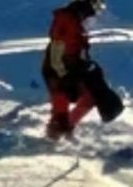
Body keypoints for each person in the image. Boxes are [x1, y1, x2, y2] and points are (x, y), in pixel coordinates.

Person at [42, 0, 105, 140]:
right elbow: (56, 50)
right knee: (60, 113)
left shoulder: (77, 24)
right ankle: (53, 139)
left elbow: (78, 49)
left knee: (90, 97)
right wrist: (63, 75)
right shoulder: (66, 21)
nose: (94, 17)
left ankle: (66, 129)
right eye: (95, 9)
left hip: (72, 69)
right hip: (57, 72)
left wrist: (87, 66)